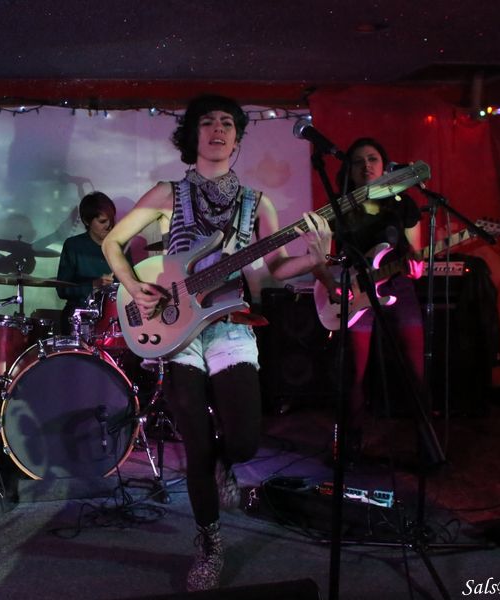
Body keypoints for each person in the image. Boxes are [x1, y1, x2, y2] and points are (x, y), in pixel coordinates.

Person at [102, 95, 331, 592]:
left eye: (227, 122)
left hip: (230, 321)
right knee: (196, 442)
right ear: (193, 135)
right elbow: (111, 242)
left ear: (237, 137)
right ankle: (209, 542)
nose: (218, 129)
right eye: (207, 122)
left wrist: (315, 259)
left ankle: (227, 464)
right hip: (176, 328)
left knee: (244, 441)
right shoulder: (167, 193)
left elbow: (276, 269)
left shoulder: (257, 203)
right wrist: (132, 284)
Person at [320, 137, 426, 462]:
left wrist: (416, 265)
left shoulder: (402, 204)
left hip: (399, 286)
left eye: (373, 159)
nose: (366, 166)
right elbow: (322, 259)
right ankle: (350, 442)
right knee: (354, 370)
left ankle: (426, 442)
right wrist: (333, 284)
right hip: (356, 291)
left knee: (416, 367)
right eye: (358, 161)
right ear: (349, 171)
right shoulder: (338, 209)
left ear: (384, 165)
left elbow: (416, 252)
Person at [56, 191, 116, 335]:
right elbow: (62, 290)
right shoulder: (73, 245)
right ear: (87, 221)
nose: (109, 226)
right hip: (79, 316)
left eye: (111, 220)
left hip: (113, 319)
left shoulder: (119, 245)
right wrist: (93, 285)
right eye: (102, 221)